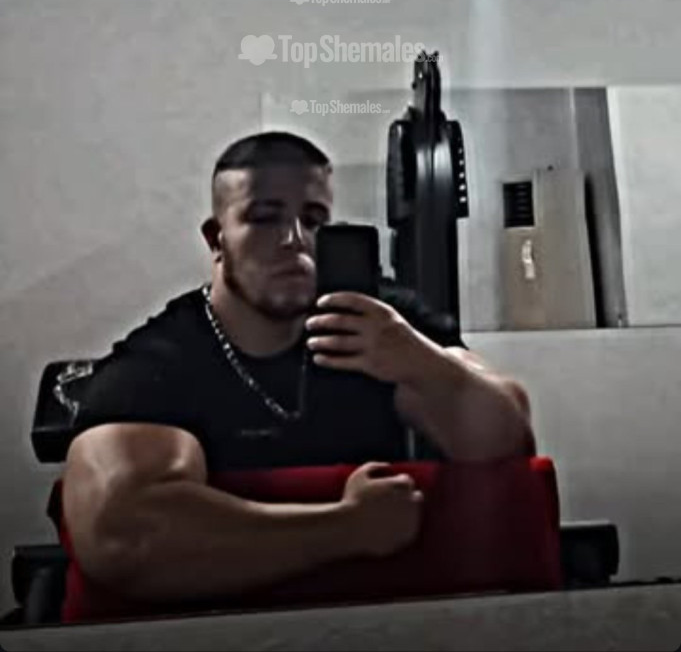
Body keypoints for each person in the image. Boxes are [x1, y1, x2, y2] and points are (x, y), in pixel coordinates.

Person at [61, 132, 535, 609]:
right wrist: (346, 528)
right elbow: (122, 535)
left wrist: (422, 364)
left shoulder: (377, 319)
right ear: (216, 238)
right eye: (264, 218)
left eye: (313, 220)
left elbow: (507, 437)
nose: (294, 240)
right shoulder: (164, 357)